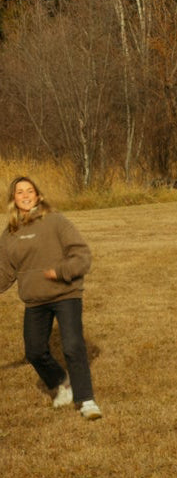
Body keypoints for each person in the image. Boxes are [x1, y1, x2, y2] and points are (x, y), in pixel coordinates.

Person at [0, 176, 102, 420]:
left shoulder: (55, 221)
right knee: (34, 351)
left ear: (38, 195)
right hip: (35, 299)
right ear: (13, 199)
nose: (25, 195)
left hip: (65, 294)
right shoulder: (10, 233)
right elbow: (4, 272)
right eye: (19, 192)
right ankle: (61, 383)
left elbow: (82, 255)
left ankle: (86, 400)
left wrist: (60, 272)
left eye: (29, 191)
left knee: (73, 346)